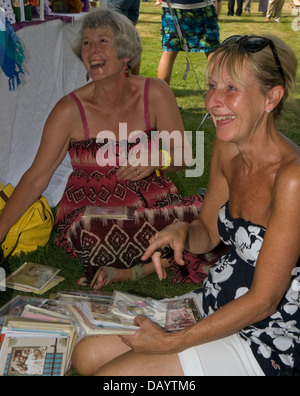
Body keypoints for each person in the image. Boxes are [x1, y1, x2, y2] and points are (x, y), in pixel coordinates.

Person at [71, 33, 300, 377]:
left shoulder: (292, 178)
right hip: (218, 300)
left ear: (272, 98)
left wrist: (173, 342)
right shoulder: (229, 149)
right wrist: (182, 230)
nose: (212, 101)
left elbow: (264, 301)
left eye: (230, 89)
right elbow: (207, 232)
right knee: (86, 355)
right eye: (211, 86)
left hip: (268, 332)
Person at [0, 8, 204, 288]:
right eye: (86, 43)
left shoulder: (155, 93)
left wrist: (158, 158)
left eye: (102, 41)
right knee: (90, 230)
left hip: (154, 206)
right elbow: (37, 176)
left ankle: (133, 268)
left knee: (214, 215)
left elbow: (185, 155)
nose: (92, 50)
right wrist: (0, 229)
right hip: (96, 216)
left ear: (125, 53)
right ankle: (170, 248)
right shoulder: (69, 110)